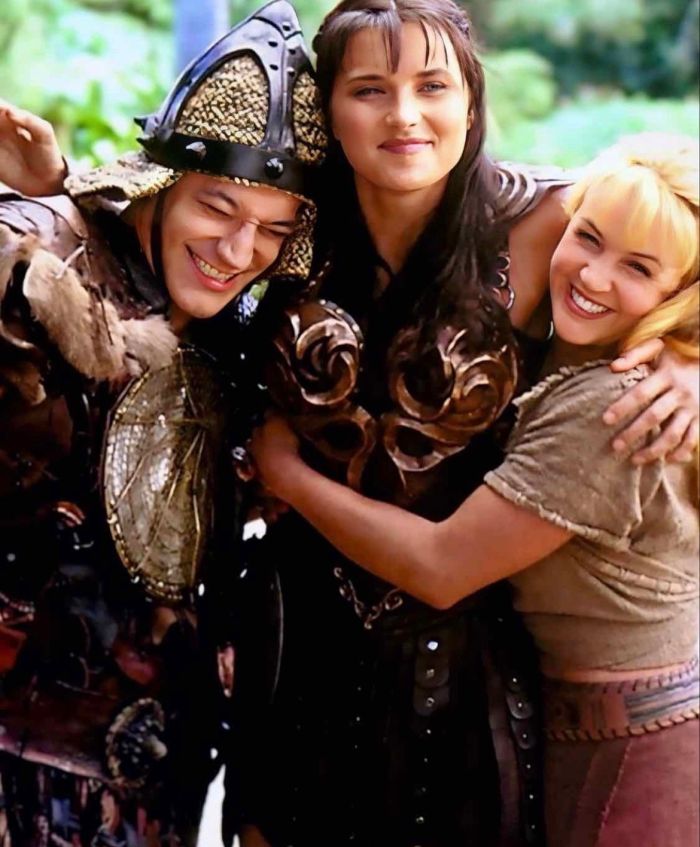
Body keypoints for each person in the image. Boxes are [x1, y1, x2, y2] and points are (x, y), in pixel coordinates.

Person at [226, 2, 699, 846]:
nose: (404, 116)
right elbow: (160, 222)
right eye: (370, 89)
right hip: (300, 642)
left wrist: (693, 354)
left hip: (474, 672)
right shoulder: (279, 222)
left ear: (473, 101)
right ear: (325, 108)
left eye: (432, 86)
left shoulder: (555, 220)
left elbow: (671, 246)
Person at [0, 1, 326, 845]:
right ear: (163, 183)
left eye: (272, 230)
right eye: (218, 207)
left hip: (161, 783)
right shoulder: (35, 258)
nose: (239, 250)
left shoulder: (236, 341)